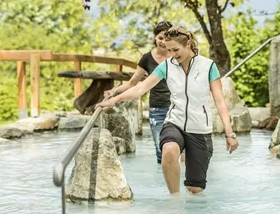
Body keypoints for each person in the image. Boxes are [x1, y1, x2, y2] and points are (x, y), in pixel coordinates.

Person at [96, 25, 239, 195]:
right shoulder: (167, 66)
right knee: (169, 149)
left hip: (200, 129)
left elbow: (219, 101)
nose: (172, 55)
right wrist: (114, 100)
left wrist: (229, 134)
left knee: (195, 189)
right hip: (174, 122)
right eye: (169, 50)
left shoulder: (208, 66)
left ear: (189, 44)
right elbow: (141, 88)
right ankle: (175, 202)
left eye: (176, 50)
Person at [104, 21, 173, 164]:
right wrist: (114, 92)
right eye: (160, 38)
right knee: (160, 150)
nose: (163, 42)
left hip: (177, 107)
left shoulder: (177, 55)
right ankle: (163, 183)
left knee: (179, 149)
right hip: (157, 108)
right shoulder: (147, 58)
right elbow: (132, 83)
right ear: (155, 38)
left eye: (167, 38)